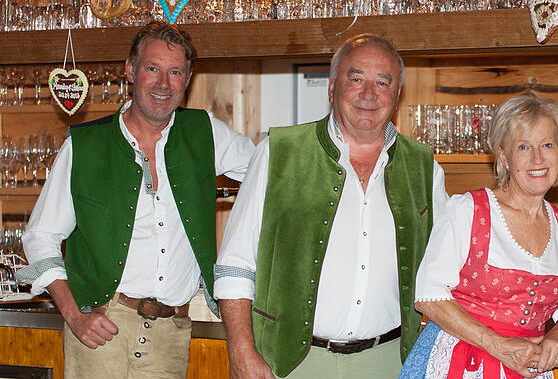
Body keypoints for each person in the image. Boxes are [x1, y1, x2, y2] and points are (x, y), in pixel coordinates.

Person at [17, 21, 256, 378]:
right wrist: (74, 315)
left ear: (188, 78)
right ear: (130, 70)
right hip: (101, 329)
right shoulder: (86, 146)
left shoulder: (206, 132)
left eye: (175, 72)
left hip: (171, 330)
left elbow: (266, 175)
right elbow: (40, 237)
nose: (163, 83)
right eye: (152, 69)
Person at [215, 33, 449, 378]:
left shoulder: (425, 167)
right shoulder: (278, 152)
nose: (369, 94)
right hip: (291, 363)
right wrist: (241, 350)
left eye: (383, 82)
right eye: (356, 79)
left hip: (389, 363)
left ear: (397, 95)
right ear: (331, 87)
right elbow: (235, 265)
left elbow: (447, 270)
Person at [400, 92, 558, 379]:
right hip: (460, 362)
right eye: (524, 147)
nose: (537, 158)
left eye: (547, 145)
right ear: (503, 156)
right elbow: (429, 296)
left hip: (530, 365)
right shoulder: (467, 211)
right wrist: (498, 345)